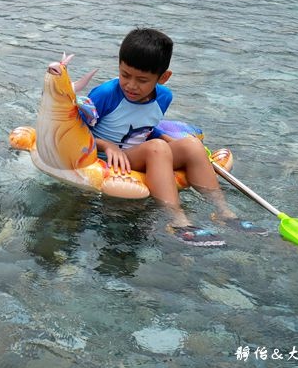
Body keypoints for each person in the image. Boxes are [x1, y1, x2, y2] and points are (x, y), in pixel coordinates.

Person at [86, 28, 261, 247]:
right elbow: (76, 129)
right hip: (107, 157)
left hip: (140, 154)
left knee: (191, 144)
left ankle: (224, 212)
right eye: (125, 75)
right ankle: (178, 221)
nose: (131, 85)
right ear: (119, 66)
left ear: (163, 78)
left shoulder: (164, 97)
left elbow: (145, 128)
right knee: (157, 148)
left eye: (142, 80)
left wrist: (171, 141)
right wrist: (107, 145)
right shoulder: (104, 95)